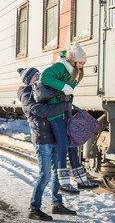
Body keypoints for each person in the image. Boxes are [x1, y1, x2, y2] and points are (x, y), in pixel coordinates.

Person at [17, 67, 77, 221]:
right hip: (42, 139)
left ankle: (57, 204)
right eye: (36, 75)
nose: (39, 77)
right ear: (29, 79)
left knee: (58, 172)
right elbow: (39, 110)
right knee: (45, 175)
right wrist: (62, 107)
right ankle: (34, 208)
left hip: (54, 137)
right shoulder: (25, 93)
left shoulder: (42, 88)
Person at [39, 42, 99, 194]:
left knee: (72, 145)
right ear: (72, 60)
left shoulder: (72, 70)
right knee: (64, 144)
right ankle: (63, 183)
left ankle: (81, 180)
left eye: (83, 63)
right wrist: (63, 87)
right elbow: (44, 76)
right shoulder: (61, 66)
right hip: (54, 112)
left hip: (64, 111)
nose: (81, 66)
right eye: (79, 62)